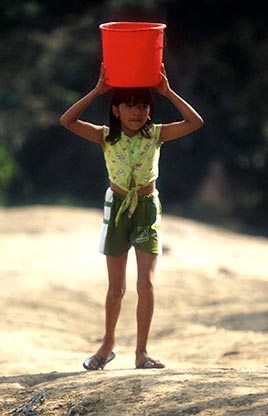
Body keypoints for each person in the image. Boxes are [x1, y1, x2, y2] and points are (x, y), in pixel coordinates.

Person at [60, 63, 204, 370]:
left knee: (146, 284)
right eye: (129, 105)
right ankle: (107, 345)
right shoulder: (105, 137)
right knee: (116, 288)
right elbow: (67, 120)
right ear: (116, 110)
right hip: (117, 212)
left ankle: (142, 353)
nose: (137, 113)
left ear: (150, 112)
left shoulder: (156, 135)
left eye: (143, 106)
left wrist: (166, 92)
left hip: (147, 209)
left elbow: (195, 122)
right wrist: (98, 91)